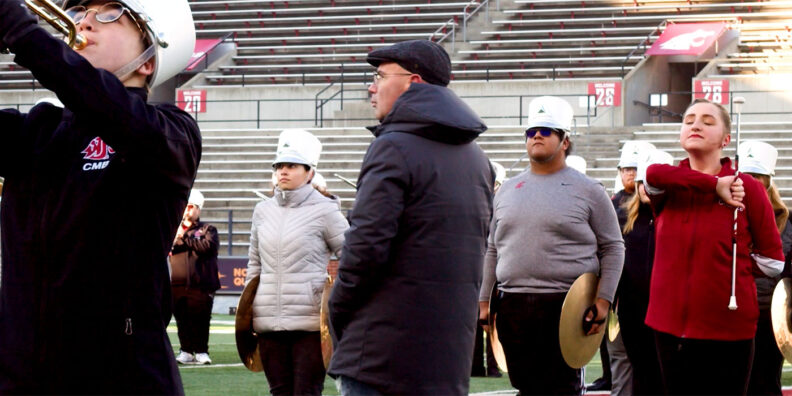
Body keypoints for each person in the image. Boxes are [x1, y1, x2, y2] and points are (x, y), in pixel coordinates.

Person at [0, 0, 199, 393]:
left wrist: (21, 33)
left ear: (148, 61)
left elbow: (102, 103)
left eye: (109, 13)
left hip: (124, 379)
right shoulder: (37, 131)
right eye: (79, 13)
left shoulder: (172, 132)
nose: (85, 23)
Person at [328, 39, 494, 396]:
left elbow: (364, 250)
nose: (371, 87)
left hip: (381, 358)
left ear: (413, 83)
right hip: (447, 361)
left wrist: (336, 310)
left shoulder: (392, 146)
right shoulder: (478, 159)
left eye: (380, 76)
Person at [479, 96, 625, 395]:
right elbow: (493, 248)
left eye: (546, 131)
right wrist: (484, 301)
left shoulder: (590, 190)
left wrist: (604, 300)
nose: (537, 136)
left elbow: (613, 247)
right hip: (512, 304)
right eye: (531, 131)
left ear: (565, 141)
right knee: (524, 387)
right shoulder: (507, 190)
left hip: (567, 306)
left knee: (562, 389)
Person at [644, 98, 785, 395]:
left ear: (726, 139)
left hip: (729, 330)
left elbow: (773, 261)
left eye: (708, 122)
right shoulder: (668, 184)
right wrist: (713, 185)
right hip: (666, 327)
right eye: (689, 121)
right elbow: (652, 173)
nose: (696, 125)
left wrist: (727, 266)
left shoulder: (748, 188)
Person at [246, 129, 349, 396]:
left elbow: (352, 257)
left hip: (310, 325)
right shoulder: (262, 211)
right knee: (279, 392)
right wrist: (248, 312)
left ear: (309, 172)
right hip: (268, 322)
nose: (283, 171)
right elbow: (254, 264)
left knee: (307, 392)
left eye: (292, 165)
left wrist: (334, 300)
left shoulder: (325, 210)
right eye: (279, 165)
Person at [618, 149, 674, 395]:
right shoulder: (624, 219)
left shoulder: (678, 218)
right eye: (642, 183)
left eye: (653, 184)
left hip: (667, 310)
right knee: (641, 373)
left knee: (666, 376)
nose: (645, 189)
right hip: (632, 310)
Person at [740, 141, 792, 396]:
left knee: (766, 380)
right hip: (735, 313)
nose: (751, 182)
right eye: (746, 176)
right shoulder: (727, 214)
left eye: (757, 176)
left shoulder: (787, 220)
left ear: (769, 181)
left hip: (770, 316)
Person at [171, 189, 220, 365]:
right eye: (186, 205)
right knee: (182, 319)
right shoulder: (173, 228)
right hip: (177, 283)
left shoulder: (208, 229)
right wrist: (179, 237)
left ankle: (201, 351)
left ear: (198, 209)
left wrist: (183, 237)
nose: (188, 209)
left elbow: (208, 247)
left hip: (202, 283)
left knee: (201, 319)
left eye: (191, 206)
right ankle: (185, 350)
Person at [472, 160, 506, 379]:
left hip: (492, 266)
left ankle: (490, 365)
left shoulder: (499, 205)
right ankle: (479, 365)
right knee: (479, 319)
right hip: (480, 265)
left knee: (491, 318)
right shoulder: (480, 203)